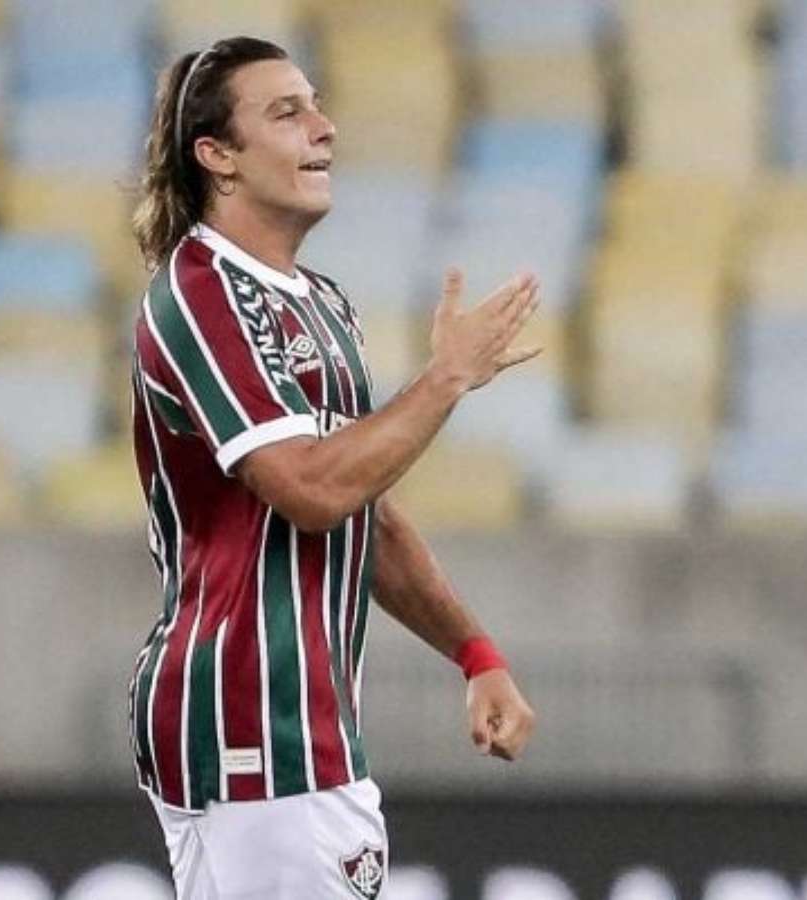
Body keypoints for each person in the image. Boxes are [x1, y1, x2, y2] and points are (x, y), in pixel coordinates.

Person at [127, 35, 539, 900]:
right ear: (218, 156)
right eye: (288, 113)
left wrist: (473, 652)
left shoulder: (322, 303)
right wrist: (446, 379)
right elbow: (310, 491)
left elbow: (364, 512)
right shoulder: (201, 291)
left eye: (316, 105)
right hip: (250, 721)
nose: (325, 127)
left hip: (299, 729)